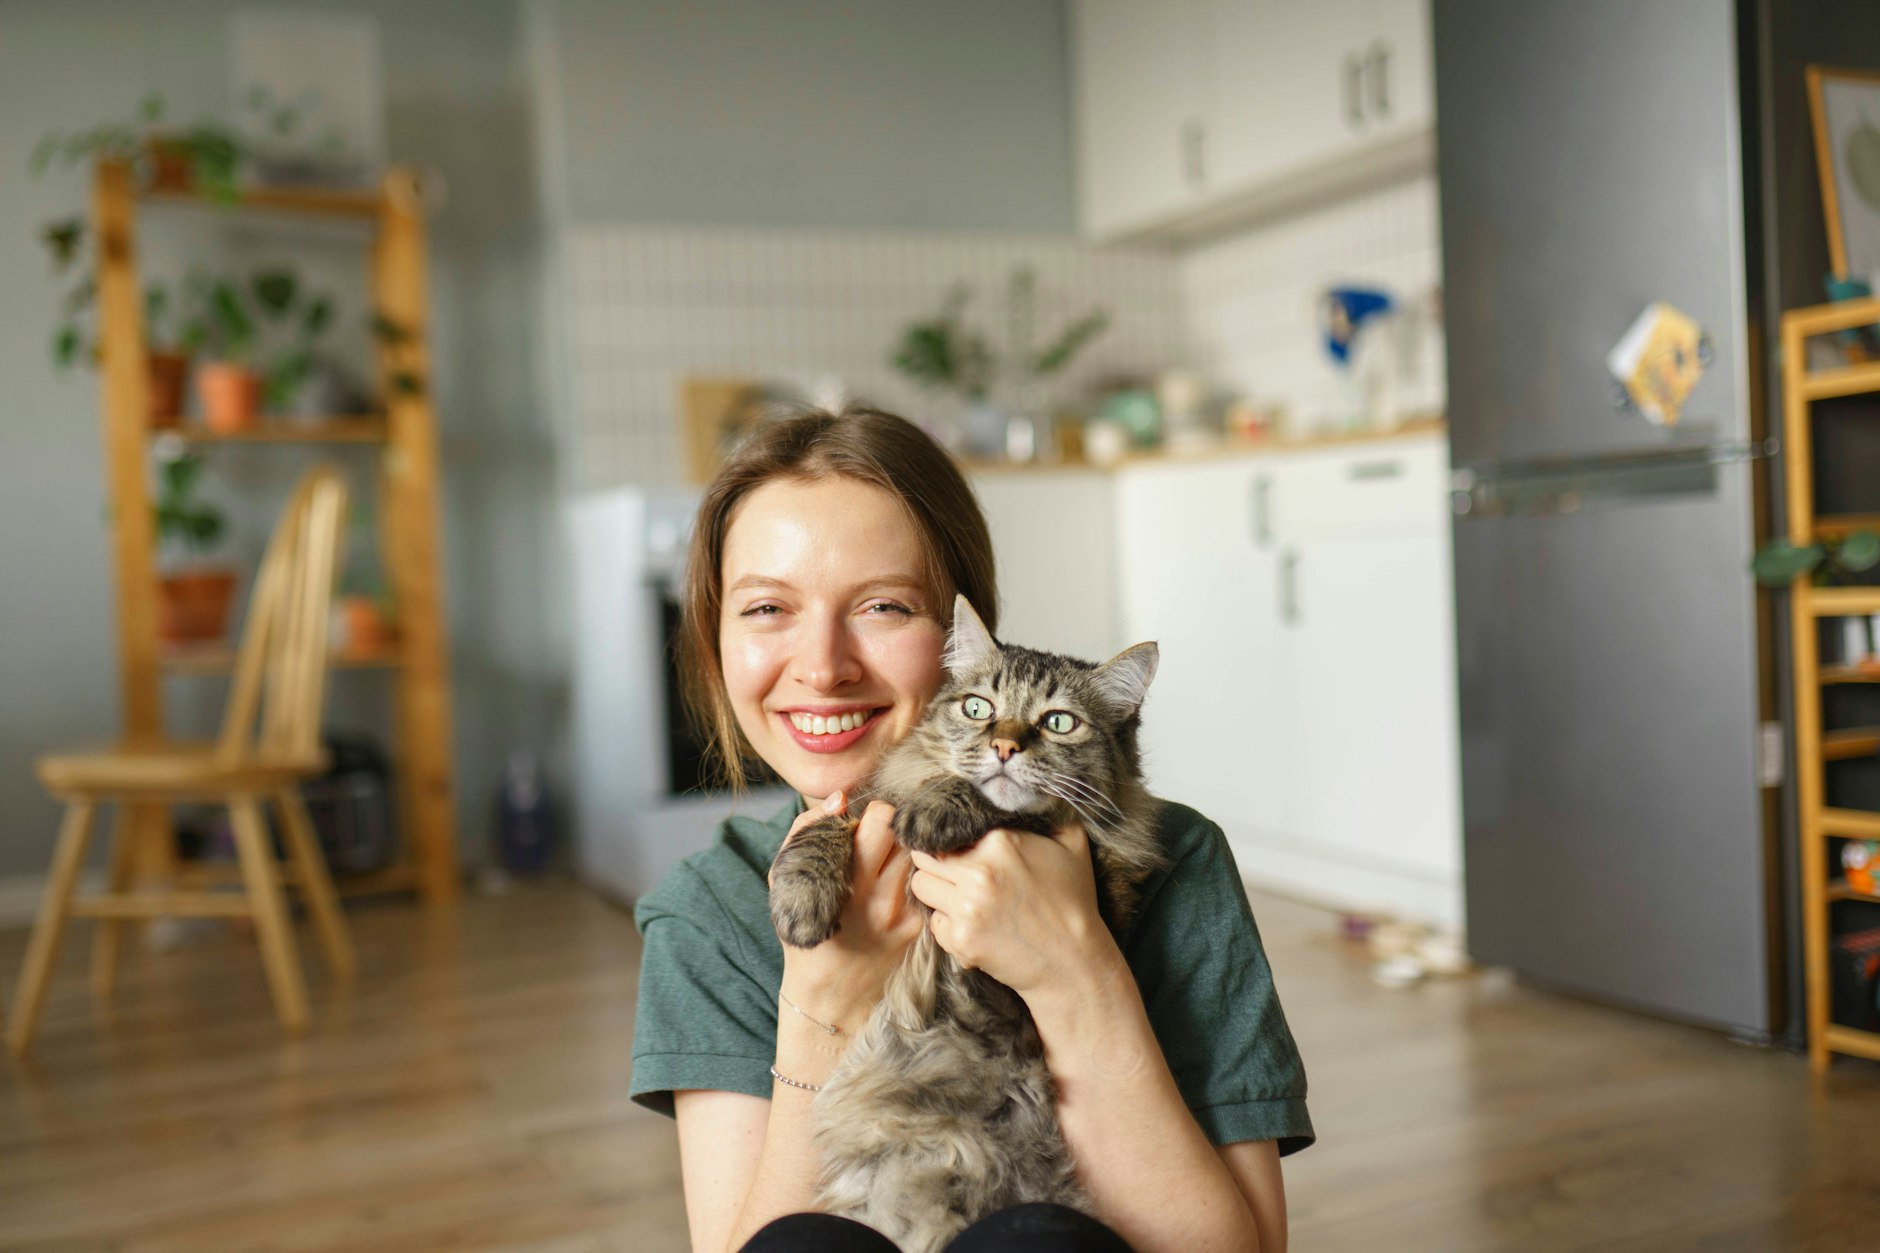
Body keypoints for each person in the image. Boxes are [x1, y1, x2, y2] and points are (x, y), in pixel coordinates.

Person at [629, 406, 1314, 1253]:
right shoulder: (710, 908)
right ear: (713, 639)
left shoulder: (1179, 860)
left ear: (961, 641)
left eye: (882, 605)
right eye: (767, 608)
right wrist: (820, 1004)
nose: (822, 666)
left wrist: (1077, 974)